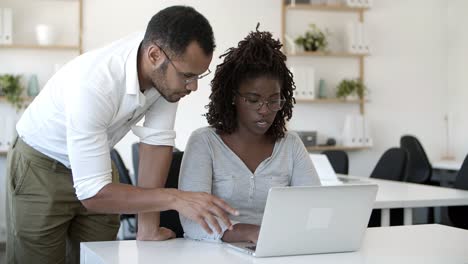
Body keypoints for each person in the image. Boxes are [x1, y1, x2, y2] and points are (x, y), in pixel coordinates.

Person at [6, 6, 238, 264]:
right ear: (154, 55)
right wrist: (176, 198)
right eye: (187, 76)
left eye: (198, 76)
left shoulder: (166, 73)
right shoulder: (94, 84)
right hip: (41, 166)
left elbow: (156, 143)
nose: (193, 86)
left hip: (98, 165)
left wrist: (148, 229)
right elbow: (93, 194)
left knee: (98, 257)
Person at [178, 26, 321, 243]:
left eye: (274, 100)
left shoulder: (290, 145)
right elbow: (192, 222)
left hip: (277, 249)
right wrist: (250, 232)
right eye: (253, 100)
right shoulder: (205, 143)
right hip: (214, 254)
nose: (264, 109)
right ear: (233, 97)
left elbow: (315, 206)